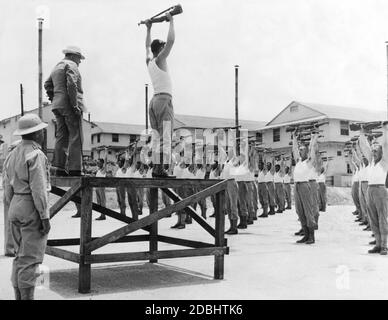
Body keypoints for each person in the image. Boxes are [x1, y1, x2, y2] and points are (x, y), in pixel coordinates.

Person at [3, 114, 51, 300]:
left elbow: (7, 189)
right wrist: (44, 216)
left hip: (16, 204)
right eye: (41, 130)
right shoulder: (35, 154)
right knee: (31, 260)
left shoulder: (12, 154)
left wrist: (13, 205)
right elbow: (39, 189)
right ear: (36, 133)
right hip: (31, 207)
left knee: (19, 258)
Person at [44, 46, 85, 177]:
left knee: (61, 136)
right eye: (79, 58)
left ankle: (58, 167)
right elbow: (72, 84)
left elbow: (47, 84)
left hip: (57, 105)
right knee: (76, 136)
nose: (80, 61)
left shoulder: (57, 66)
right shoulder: (71, 65)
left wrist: (54, 97)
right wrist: (74, 105)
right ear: (73, 56)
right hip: (69, 105)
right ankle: (75, 169)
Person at [145, 12, 175, 177]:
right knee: (165, 136)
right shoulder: (159, 59)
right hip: (163, 99)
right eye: (162, 47)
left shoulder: (149, 61)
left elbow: (147, 47)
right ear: (160, 49)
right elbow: (171, 42)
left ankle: (157, 168)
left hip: (154, 101)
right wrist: (171, 22)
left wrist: (148, 29)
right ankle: (160, 168)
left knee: (157, 137)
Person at [359, 123, 388, 255]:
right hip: (370, 190)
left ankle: (384, 245)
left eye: (376, 151)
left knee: (383, 218)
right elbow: (364, 147)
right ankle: (377, 243)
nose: (374, 153)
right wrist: (362, 133)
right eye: (373, 151)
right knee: (373, 218)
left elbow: (386, 145)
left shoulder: (384, 162)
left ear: (381, 152)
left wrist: (385, 130)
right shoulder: (371, 162)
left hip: (380, 191)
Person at [292, 131, 319, 244]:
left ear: (306, 152)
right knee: (300, 211)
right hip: (296, 186)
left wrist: (313, 139)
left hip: (304, 186)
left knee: (308, 211)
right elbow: (294, 150)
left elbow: (313, 153)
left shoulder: (308, 162)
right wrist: (294, 138)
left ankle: (311, 236)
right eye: (300, 149)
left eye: (302, 150)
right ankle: (305, 234)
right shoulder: (298, 162)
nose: (300, 151)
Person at [2, 140, 21, 257]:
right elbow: (9, 181)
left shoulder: (8, 158)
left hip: (8, 193)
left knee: (9, 222)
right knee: (13, 222)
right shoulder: (14, 158)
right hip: (12, 193)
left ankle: (10, 247)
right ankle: (12, 248)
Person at [95, 150, 108, 221]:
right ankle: (101, 214)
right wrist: (98, 152)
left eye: (99, 163)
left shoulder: (104, 170)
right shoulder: (98, 170)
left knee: (102, 201)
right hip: (97, 187)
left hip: (101, 187)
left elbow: (105, 161)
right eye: (97, 163)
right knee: (99, 202)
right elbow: (99, 160)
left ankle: (103, 215)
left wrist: (106, 151)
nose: (97, 164)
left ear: (102, 163)